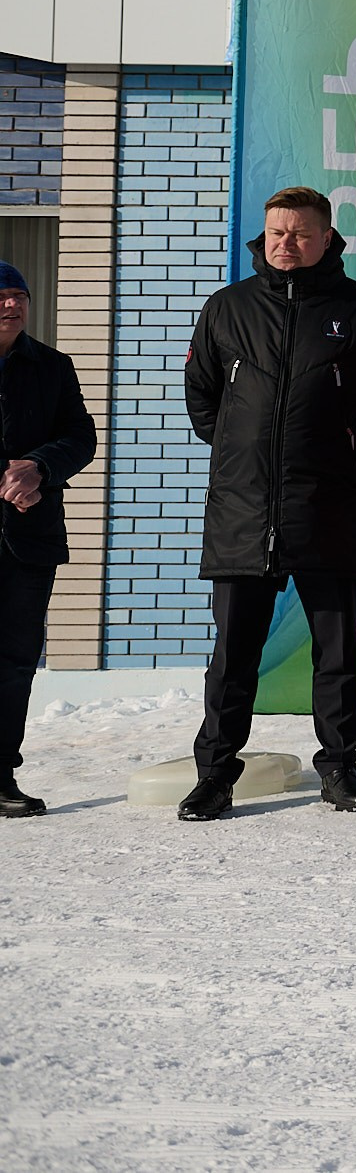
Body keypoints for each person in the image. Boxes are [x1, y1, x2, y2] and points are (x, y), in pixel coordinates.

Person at [180, 186, 356, 822]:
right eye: (277, 232)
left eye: (300, 234)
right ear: (265, 233)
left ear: (328, 238)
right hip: (242, 508)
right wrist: (236, 448)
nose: (286, 243)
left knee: (337, 651)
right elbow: (202, 397)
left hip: (327, 505)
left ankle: (340, 769)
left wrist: (352, 448)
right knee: (233, 655)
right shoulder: (227, 307)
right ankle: (215, 775)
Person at [0, 262, 96, 818]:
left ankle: (0, 775)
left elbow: (80, 437)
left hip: (29, 540)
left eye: (19, 296)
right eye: (1, 297)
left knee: (13, 663)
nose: (11, 306)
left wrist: (38, 467)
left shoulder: (52, 366)